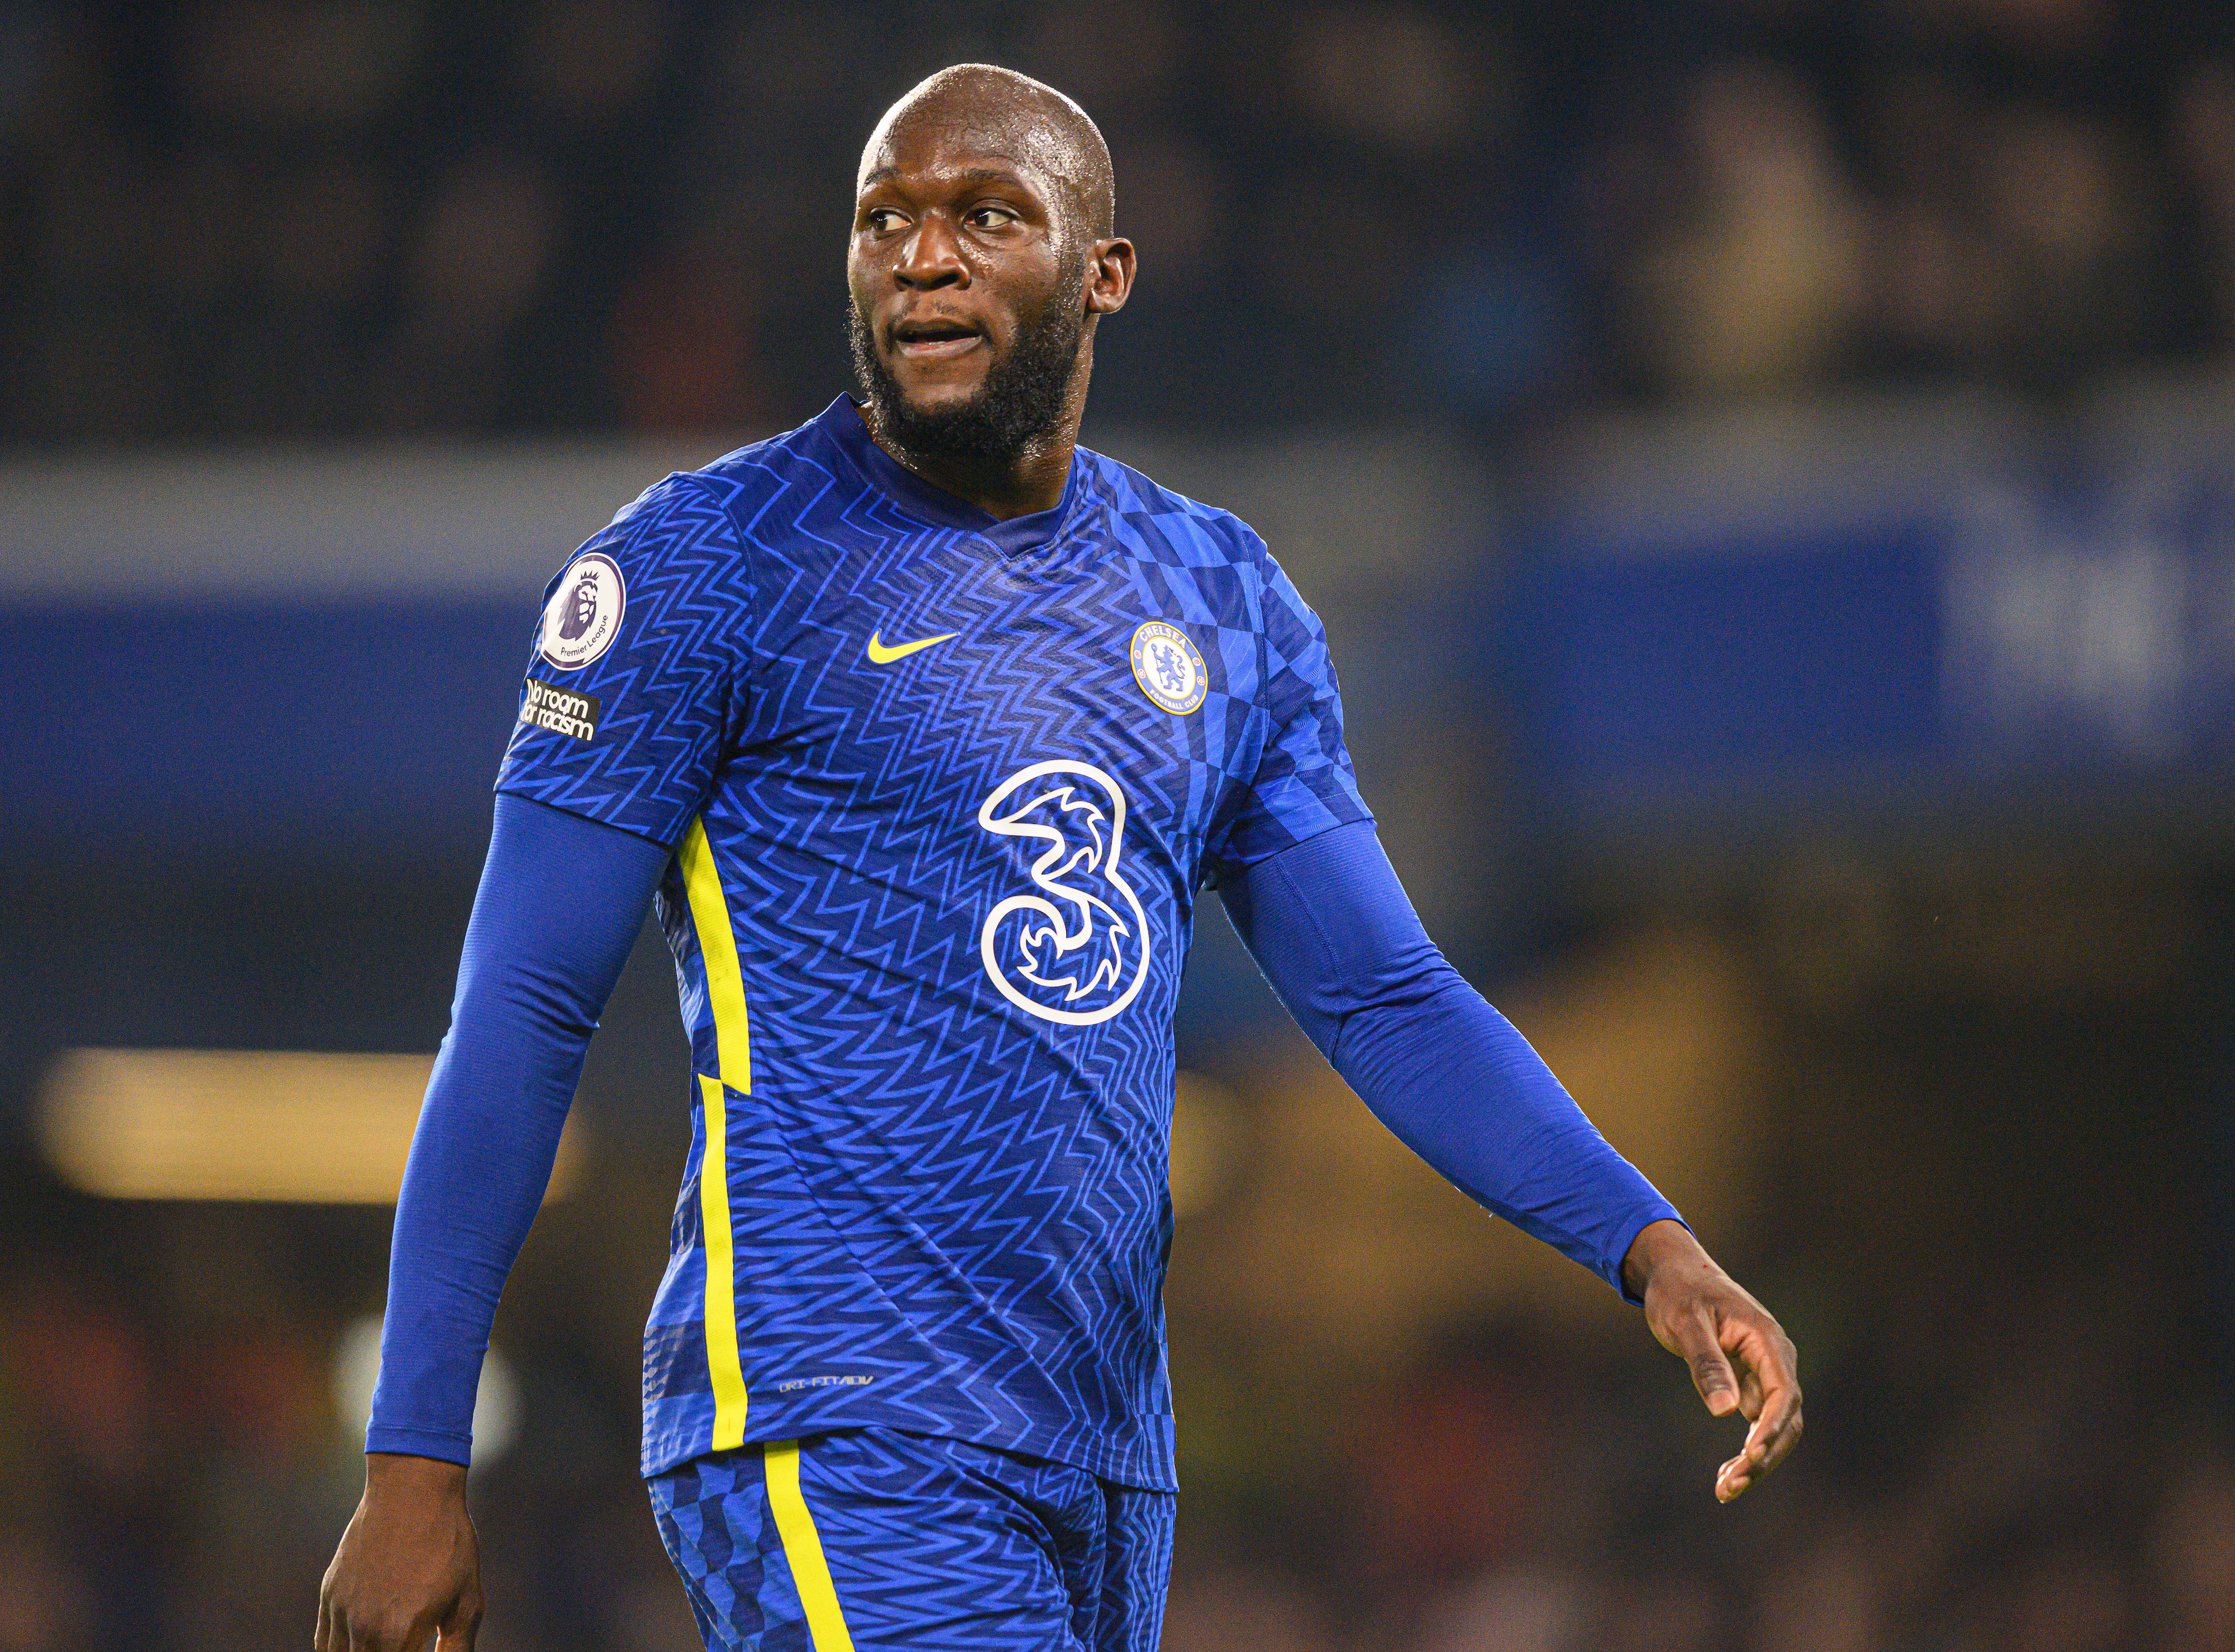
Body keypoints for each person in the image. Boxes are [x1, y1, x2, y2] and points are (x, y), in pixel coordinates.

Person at [316, 63, 1801, 1652]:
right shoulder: (703, 567)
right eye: (883, 220)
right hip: (832, 1406)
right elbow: (523, 1008)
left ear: (1104, 273)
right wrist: (413, 1453)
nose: (921, 255)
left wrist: (1645, 1242)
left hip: (1100, 1452)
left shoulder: (1219, 598)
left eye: (984, 215)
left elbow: (1378, 991)